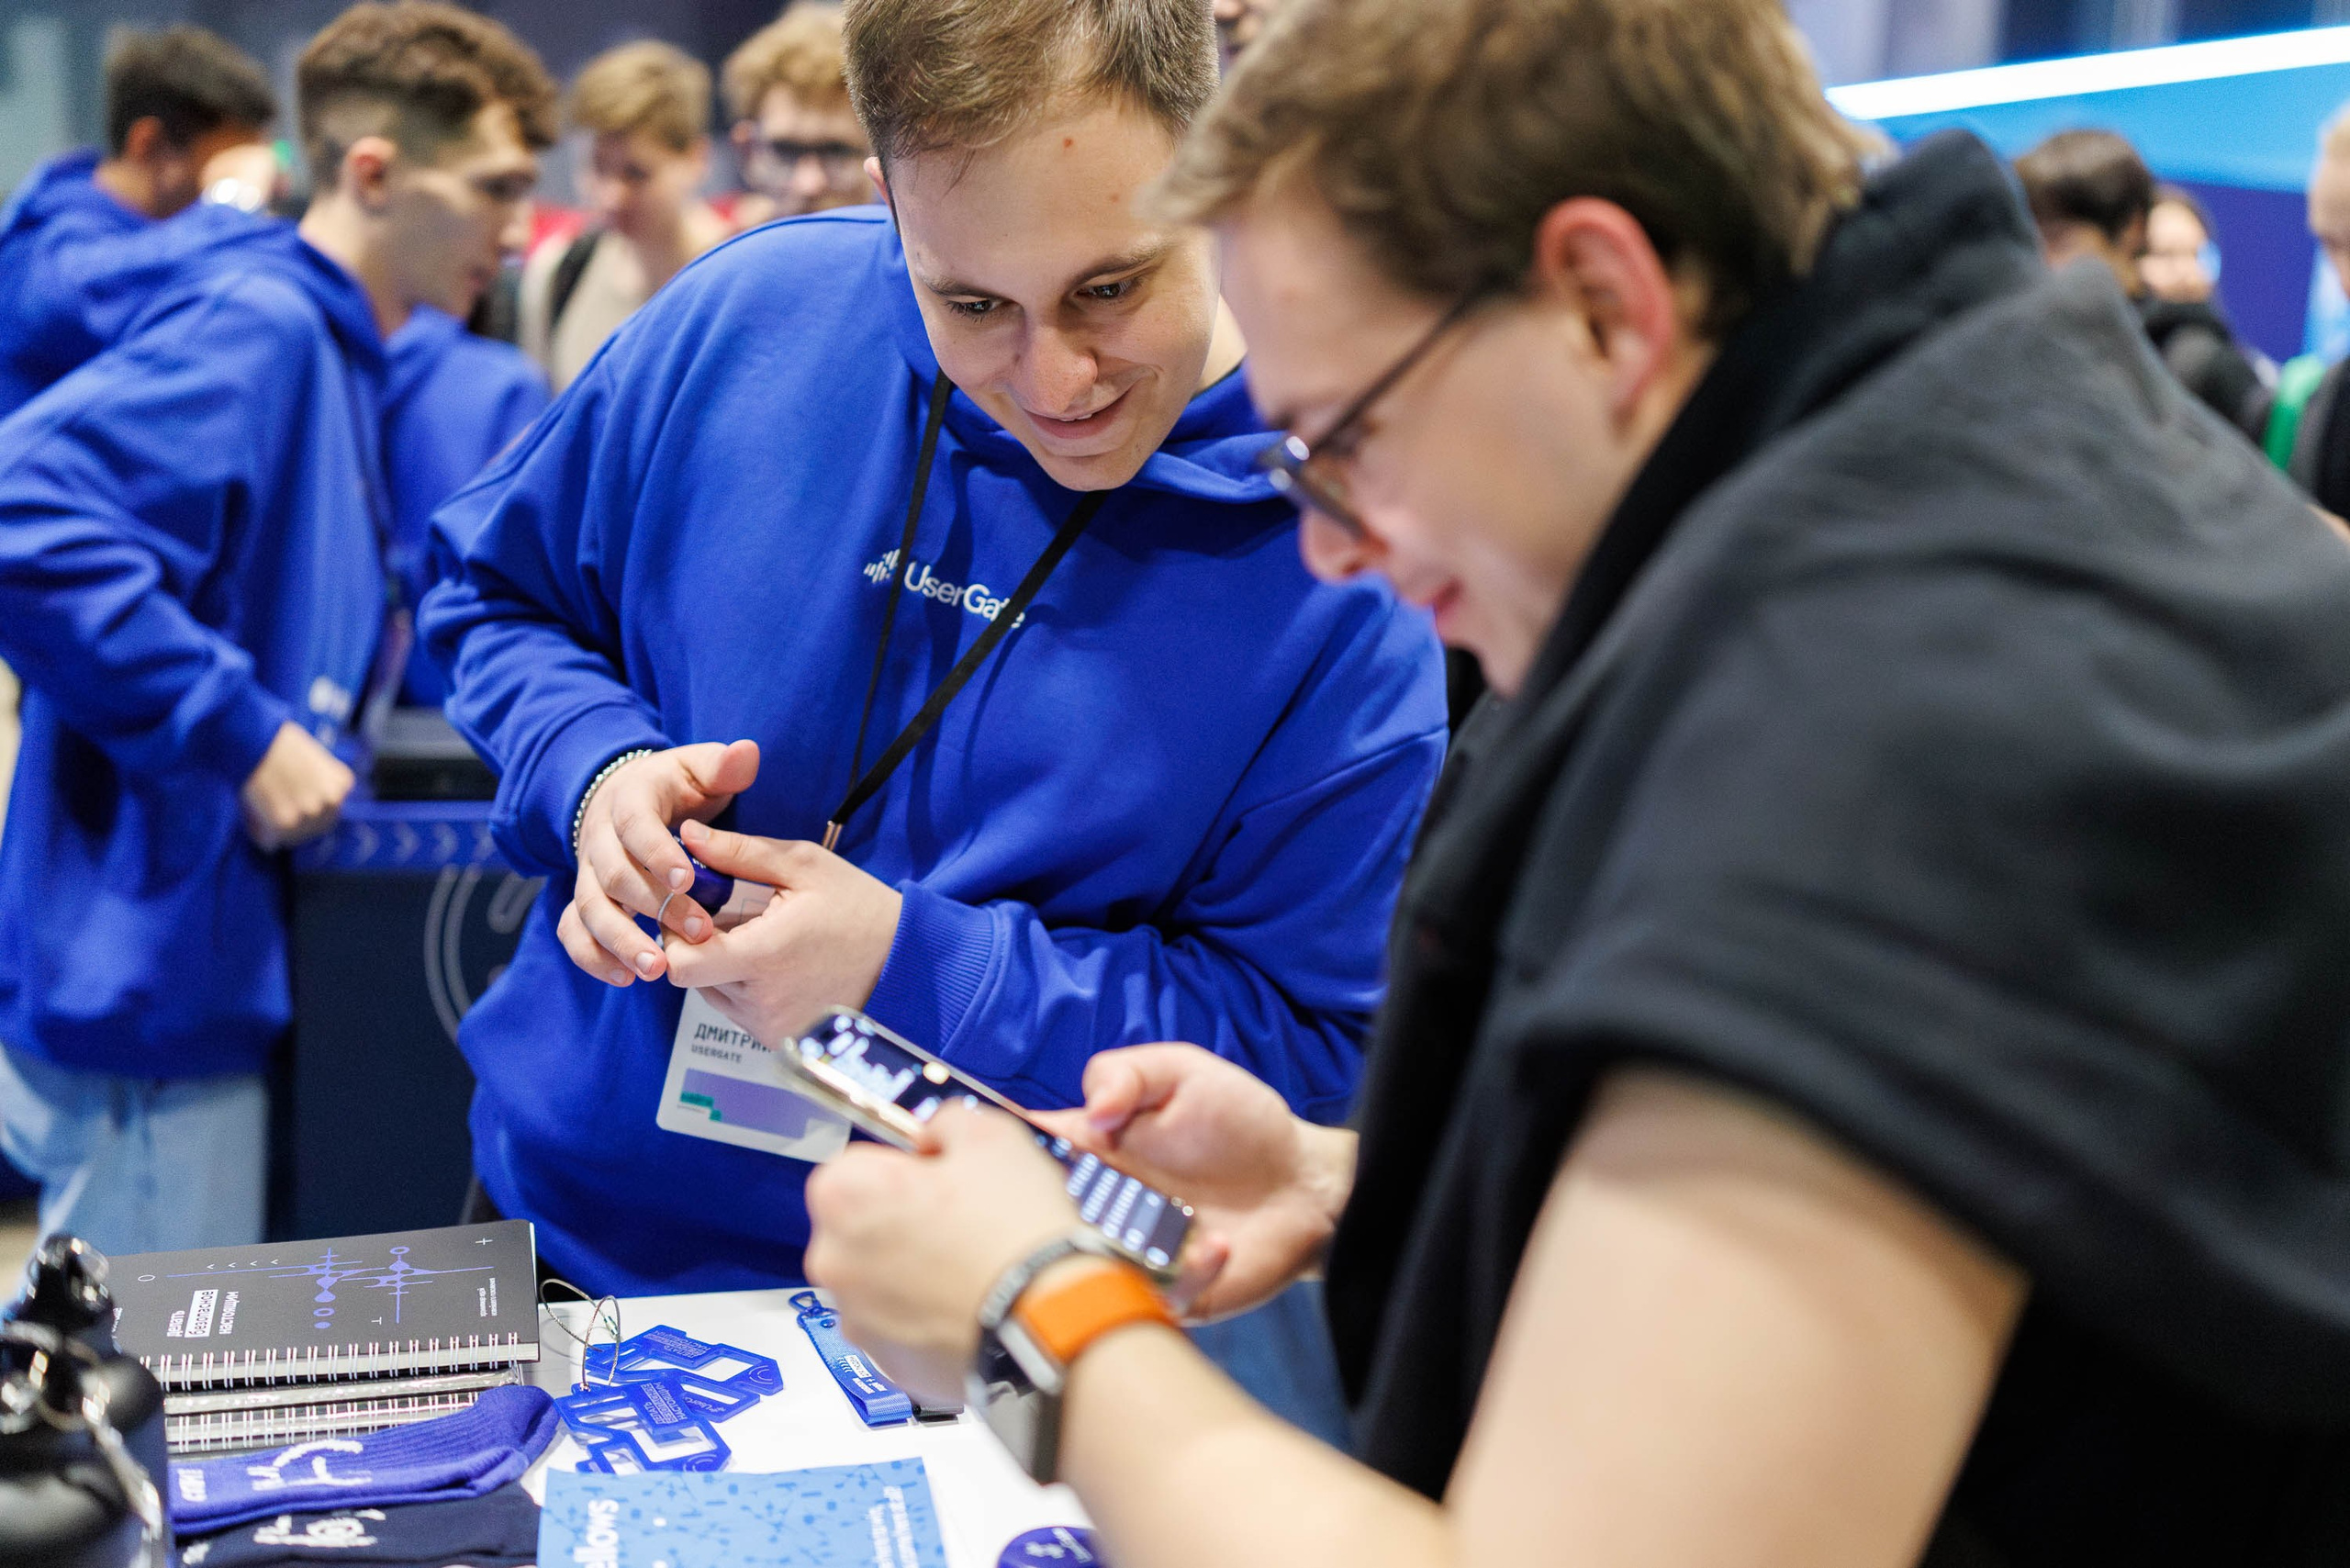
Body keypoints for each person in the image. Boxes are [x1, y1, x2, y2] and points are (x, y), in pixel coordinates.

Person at [800, 0, 2350, 1561]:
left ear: (1604, 303)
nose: (1335, 543)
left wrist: (1039, 1312)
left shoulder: (1860, 769)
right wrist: (1361, 1175)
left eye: (1346, 438)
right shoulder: (2005, 456)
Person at [420, 0, 1445, 1414]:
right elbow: (493, 595)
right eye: (971, 305)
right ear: (891, 200)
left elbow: (1304, 1058)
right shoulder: (749, 319)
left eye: (1110, 289)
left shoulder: (1346, 540)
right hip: (564, 1246)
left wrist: (908, 971)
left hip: (996, 1353)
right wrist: (595, 775)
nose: (1057, 379)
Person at [0, 0, 554, 1262]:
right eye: (492, 187)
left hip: (191, 959)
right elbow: (22, 514)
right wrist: (241, 729)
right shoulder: (264, 326)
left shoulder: (335, 347)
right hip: (147, 973)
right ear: (374, 171)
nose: (515, 231)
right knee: (138, 1421)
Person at [0, 26, 277, 422]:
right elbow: (85, 296)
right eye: (219, 167)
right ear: (148, 143)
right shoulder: (43, 248)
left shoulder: (164, 239)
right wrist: (231, 202)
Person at [2016, 129, 2270, 442]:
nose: (2046, 262)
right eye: (2036, 241)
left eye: (2062, 243)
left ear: (2130, 233)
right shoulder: (2036, 353)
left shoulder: (2205, 366)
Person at [519, 41, 732, 392]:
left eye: (636, 173)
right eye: (597, 168)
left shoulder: (737, 272)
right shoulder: (559, 272)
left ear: (696, 160)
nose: (611, 196)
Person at [722, 5, 871, 229]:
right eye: (785, 151)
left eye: (836, 152)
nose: (808, 185)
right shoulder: (716, 252)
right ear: (747, 151)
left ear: (883, 154)